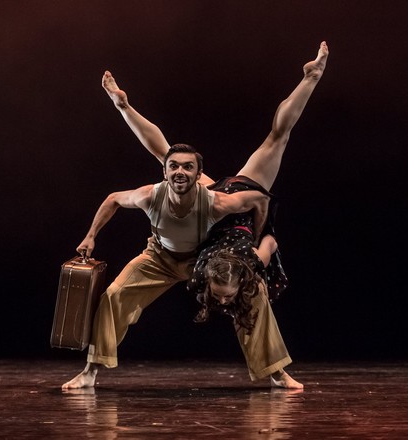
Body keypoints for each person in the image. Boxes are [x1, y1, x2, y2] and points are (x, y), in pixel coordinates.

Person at [65, 41, 329, 390]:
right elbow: (115, 197)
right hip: (158, 257)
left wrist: (256, 238)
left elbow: (261, 202)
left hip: (204, 255)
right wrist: (91, 235)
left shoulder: (217, 201)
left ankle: (275, 371)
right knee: (115, 296)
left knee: (252, 291)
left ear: (197, 174)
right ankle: (91, 371)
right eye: (173, 167)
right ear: (165, 172)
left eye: (188, 168)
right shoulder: (151, 194)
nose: (179, 172)